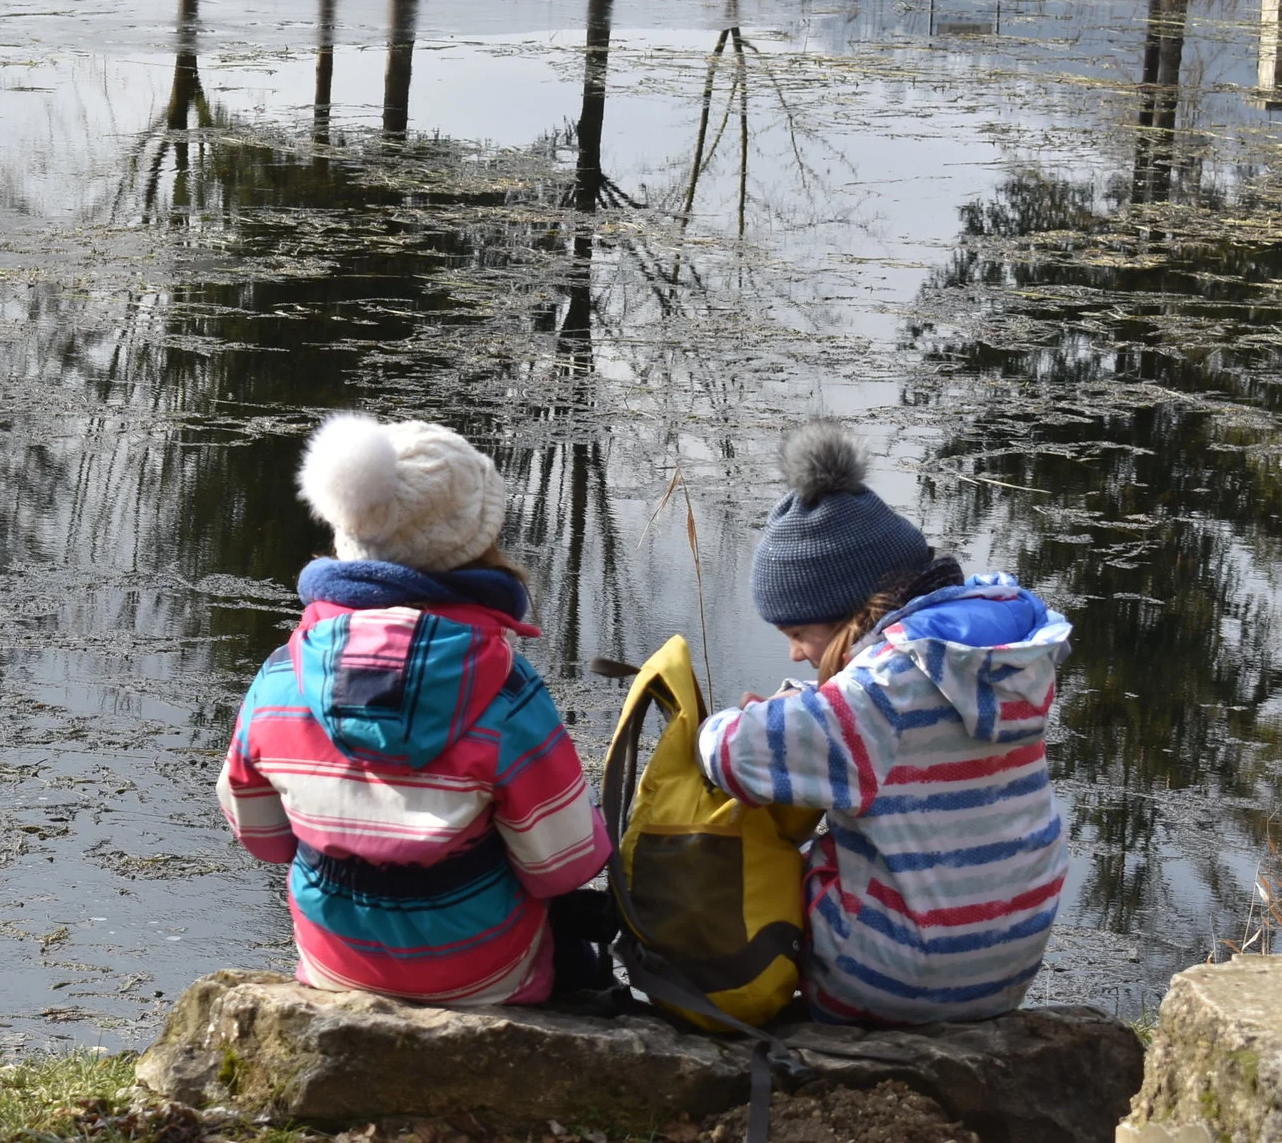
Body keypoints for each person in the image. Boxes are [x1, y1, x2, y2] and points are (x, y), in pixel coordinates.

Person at [215, 413, 612, 1005]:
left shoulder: (282, 679)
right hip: (483, 977)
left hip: (333, 965)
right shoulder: (505, 691)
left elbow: (263, 838)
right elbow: (563, 864)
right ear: (477, 545)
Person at [697, 419, 1071, 1025]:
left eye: (798, 633)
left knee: (775, 862)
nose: (794, 652)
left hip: (890, 982)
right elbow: (881, 730)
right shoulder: (993, 655)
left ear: (846, 613)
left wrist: (725, 721)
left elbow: (735, 755)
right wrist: (803, 701)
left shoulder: (880, 699)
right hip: (1003, 972)